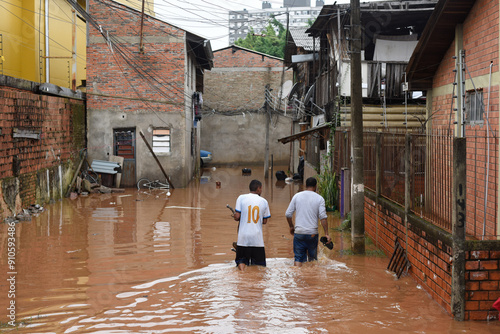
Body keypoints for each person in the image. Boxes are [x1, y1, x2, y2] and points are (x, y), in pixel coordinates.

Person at [285, 177, 331, 266]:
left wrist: (291, 226)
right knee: (312, 260)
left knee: (298, 258)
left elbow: (288, 214)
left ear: (305, 186)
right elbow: (323, 218)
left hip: (299, 233)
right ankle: (311, 278)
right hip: (312, 234)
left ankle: (297, 277)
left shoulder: (297, 196)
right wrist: (326, 234)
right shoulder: (319, 199)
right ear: (316, 186)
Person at [233, 179, 271, 271]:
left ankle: (242, 275)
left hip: (243, 238)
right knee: (259, 266)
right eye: (261, 189)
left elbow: (237, 216)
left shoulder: (241, 198)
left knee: (241, 261)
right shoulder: (264, 201)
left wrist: (237, 216)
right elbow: (265, 221)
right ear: (258, 188)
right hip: (257, 239)